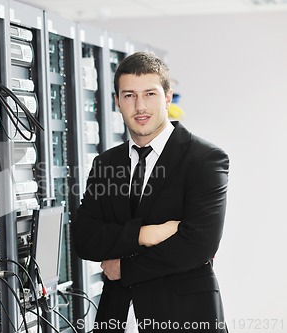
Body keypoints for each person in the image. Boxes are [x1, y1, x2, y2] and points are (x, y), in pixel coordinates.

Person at [72, 52, 229, 332]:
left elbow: (199, 244)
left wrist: (124, 268)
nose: (140, 106)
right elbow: (84, 238)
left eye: (150, 94)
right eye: (129, 95)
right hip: (116, 316)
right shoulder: (106, 163)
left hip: (184, 318)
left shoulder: (204, 159)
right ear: (117, 102)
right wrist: (147, 234)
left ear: (167, 96)